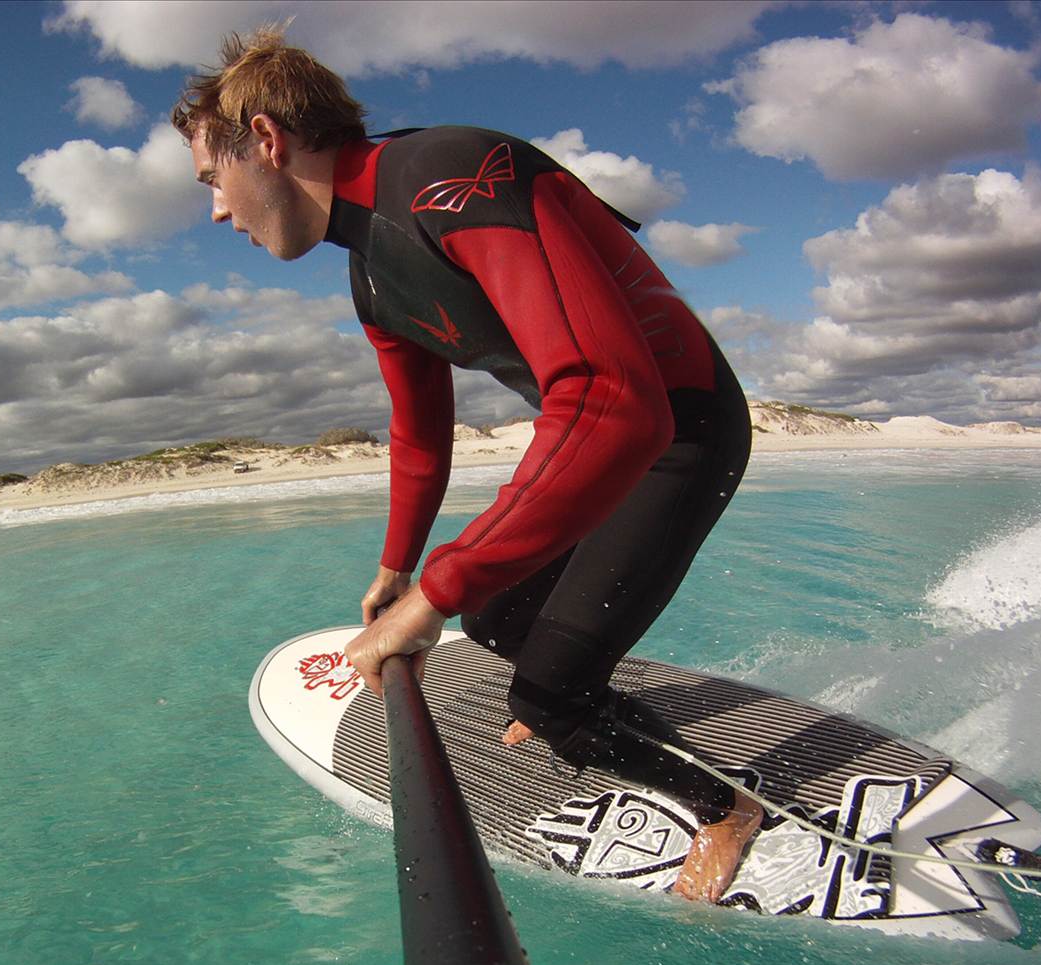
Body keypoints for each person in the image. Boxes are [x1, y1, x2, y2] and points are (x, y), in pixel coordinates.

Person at [173, 28, 760, 902]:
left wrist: (429, 593)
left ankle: (724, 807)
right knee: (488, 615)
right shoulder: (371, 272)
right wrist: (397, 569)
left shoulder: (451, 178)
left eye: (210, 181)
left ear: (266, 141)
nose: (218, 211)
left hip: (677, 430)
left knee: (546, 693)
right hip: (600, 440)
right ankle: (577, 692)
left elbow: (608, 391)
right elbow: (418, 430)